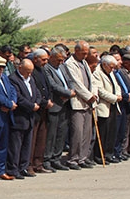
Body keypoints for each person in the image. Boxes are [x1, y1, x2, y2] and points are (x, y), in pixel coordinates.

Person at [64, 41, 98, 170]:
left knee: (86, 133)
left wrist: (94, 94)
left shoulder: (84, 63)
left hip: (89, 103)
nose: (85, 55)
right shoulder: (70, 63)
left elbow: (92, 80)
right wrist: (88, 96)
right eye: (83, 53)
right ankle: (73, 159)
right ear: (76, 51)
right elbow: (76, 83)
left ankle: (83, 158)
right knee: (77, 132)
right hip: (78, 102)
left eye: (86, 53)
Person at [7, 59, 42, 179]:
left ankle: (24, 167)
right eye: (27, 71)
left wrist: (37, 103)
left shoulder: (30, 79)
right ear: (20, 68)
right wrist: (31, 106)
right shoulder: (13, 79)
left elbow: (37, 93)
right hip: (19, 117)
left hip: (30, 117)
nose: (29, 74)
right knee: (15, 146)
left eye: (31, 71)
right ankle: (13, 169)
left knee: (27, 144)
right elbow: (18, 97)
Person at [43, 46, 75, 171]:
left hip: (65, 104)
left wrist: (71, 91)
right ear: (51, 57)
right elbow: (52, 85)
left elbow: (70, 80)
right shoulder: (47, 68)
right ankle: (47, 159)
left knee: (61, 133)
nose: (61, 62)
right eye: (58, 60)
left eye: (62, 60)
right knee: (51, 134)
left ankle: (56, 158)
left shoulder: (63, 66)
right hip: (55, 104)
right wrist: (66, 93)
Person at [92, 54, 122, 164]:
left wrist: (118, 95)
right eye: (111, 67)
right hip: (104, 106)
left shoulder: (110, 72)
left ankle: (109, 153)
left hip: (113, 105)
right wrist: (114, 98)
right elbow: (100, 90)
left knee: (111, 132)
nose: (112, 69)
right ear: (104, 64)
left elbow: (116, 86)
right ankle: (99, 155)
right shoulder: (97, 72)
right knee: (103, 132)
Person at [30, 49, 54, 173]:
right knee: (33, 139)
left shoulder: (43, 70)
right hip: (36, 108)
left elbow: (48, 87)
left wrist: (49, 99)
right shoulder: (31, 71)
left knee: (41, 138)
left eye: (46, 60)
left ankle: (38, 164)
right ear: (36, 59)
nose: (45, 62)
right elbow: (35, 90)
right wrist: (44, 102)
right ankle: (29, 165)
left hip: (45, 109)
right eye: (43, 60)